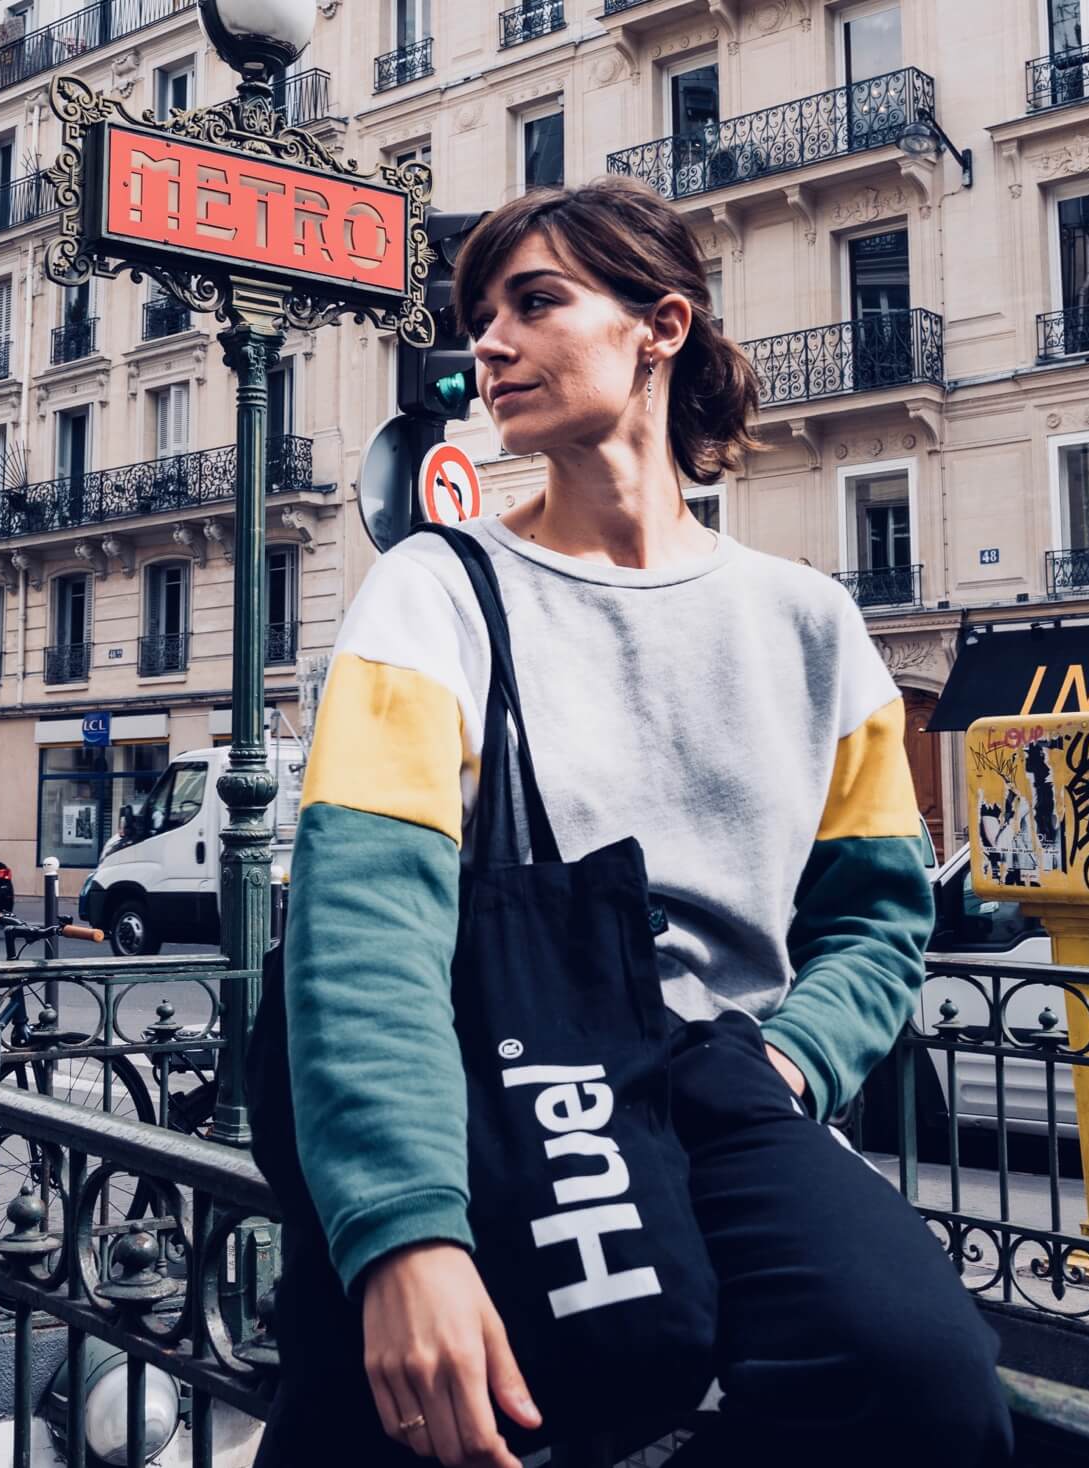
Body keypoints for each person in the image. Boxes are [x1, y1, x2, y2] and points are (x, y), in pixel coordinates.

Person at [262, 177, 1014, 1468]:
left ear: (660, 325)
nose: (490, 344)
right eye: (480, 318)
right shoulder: (433, 591)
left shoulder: (810, 621)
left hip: (725, 1084)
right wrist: (408, 1234)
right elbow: (367, 928)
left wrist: (790, 1063)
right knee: (490, 1413)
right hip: (512, 1080)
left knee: (924, 1386)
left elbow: (879, 918)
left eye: (535, 303)